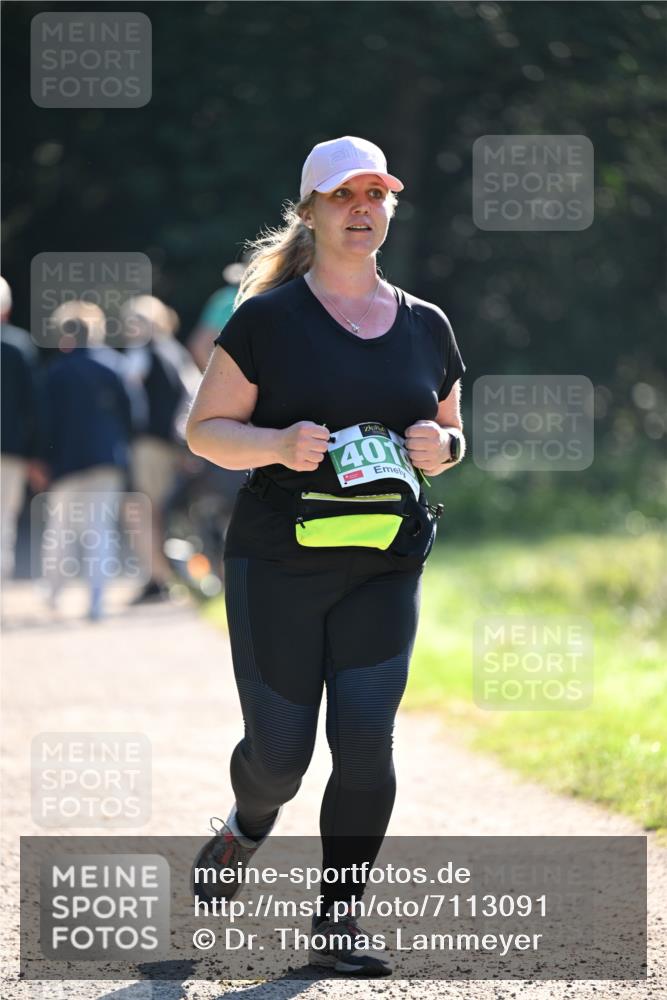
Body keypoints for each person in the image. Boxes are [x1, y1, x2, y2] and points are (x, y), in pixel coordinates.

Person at [186, 135, 466, 977]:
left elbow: (453, 431)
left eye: (376, 194)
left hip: (385, 563)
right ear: (309, 211)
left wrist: (442, 445)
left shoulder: (426, 323)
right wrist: (274, 442)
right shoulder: (267, 321)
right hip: (277, 562)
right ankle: (245, 824)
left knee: (366, 741)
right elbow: (206, 432)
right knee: (280, 759)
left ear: (389, 209)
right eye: (344, 195)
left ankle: (337, 925)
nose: (362, 209)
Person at [38, 302, 133, 621]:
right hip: (107, 460)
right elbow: (132, 415)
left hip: (65, 462)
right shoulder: (114, 366)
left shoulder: (56, 371)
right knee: (100, 529)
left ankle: (53, 593)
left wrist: (42, 460)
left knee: (60, 529)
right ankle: (97, 601)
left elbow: (44, 423)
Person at [119, 295, 201, 604]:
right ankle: (166, 576)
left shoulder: (143, 353)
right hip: (174, 445)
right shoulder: (175, 352)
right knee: (162, 513)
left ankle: (158, 577)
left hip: (149, 446)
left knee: (144, 513)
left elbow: (129, 391)